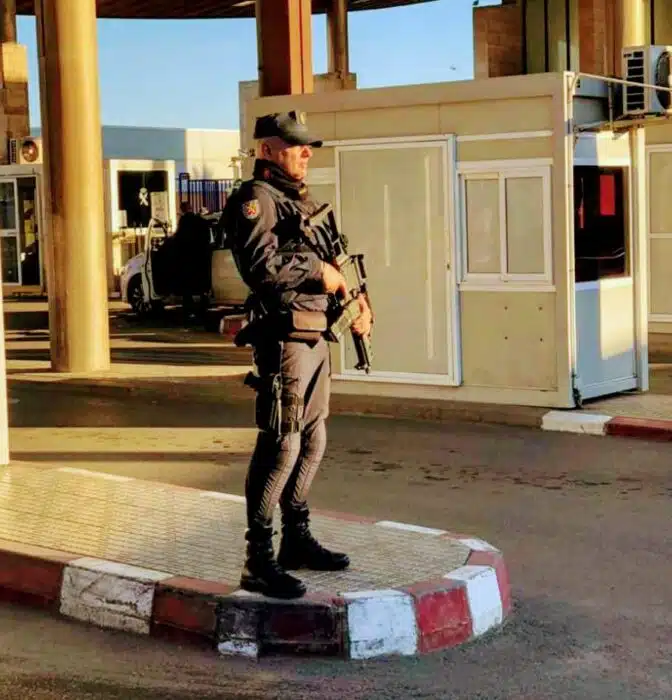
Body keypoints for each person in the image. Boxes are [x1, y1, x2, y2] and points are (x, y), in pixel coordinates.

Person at [227, 111, 373, 600]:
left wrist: (357, 303)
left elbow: (337, 262)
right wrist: (318, 273)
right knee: (281, 444)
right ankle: (258, 559)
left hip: (315, 333)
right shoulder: (254, 200)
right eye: (295, 145)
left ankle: (296, 539)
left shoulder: (299, 201)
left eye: (308, 145)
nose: (306, 152)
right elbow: (261, 266)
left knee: (313, 439)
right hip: (284, 337)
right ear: (267, 150)